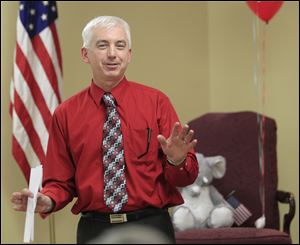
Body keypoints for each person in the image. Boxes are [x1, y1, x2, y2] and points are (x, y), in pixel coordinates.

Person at [11, 16, 198, 244]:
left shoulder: (157, 102)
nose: (112, 53)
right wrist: (48, 200)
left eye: (120, 45)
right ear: (85, 54)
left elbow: (185, 177)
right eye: (102, 45)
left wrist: (177, 161)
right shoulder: (65, 114)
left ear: (129, 54)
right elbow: (59, 182)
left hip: (151, 226)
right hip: (94, 229)